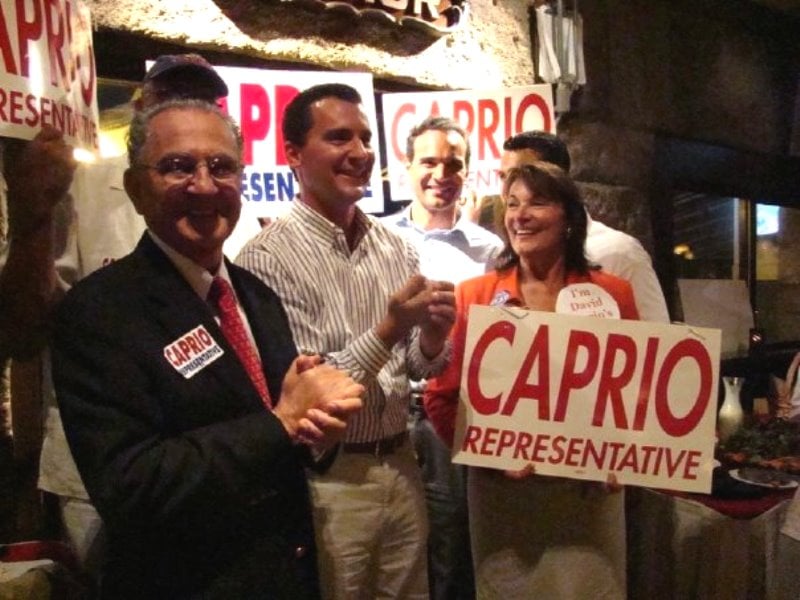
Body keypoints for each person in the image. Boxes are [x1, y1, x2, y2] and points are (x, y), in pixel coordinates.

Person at [52, 98, 363, 599]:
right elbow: (131, 486)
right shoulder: (99, 312)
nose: (203, 185)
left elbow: (290, 445)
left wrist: (317, 427)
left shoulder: (256, 295)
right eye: (177, 166)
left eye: (221, 167)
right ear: (135, 188)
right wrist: (281, 423)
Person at [0, 54, 250, 578]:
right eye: (170, 96)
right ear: (140, 107)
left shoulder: (226, 205)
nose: (188, 109)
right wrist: (31, 215)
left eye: (202, 98)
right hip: (104, 473)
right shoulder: (79, 187)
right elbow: (24, 330)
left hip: (216, 461)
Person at [236, 83, 457, 600]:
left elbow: (417, 367)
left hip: (402, 463)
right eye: (339, 138)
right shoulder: (266, 258)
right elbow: (310, 389)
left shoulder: (395, 246)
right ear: (294, 154)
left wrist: (432, 337)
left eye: (365, 138)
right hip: (329, 479)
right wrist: (390, 328)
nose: (359, 153)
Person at [424, 163, 638, 599]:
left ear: (569, 218)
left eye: (537, 203)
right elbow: (441, 399)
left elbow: (638, 396)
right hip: (504, 497)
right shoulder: (475, 296)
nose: (520, 215)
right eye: (512, 204)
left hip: (588, 496)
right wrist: (487, 455)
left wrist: (624, 457)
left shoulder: (613, 294)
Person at [383, 116, 502, 600]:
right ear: (407, 167)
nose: (440, 174)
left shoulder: (491, 250)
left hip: (451, 416)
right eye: (429, 161)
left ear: (467, 171)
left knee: (452, 545)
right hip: (389, 412)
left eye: (453, 164)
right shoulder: (378, 239)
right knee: (397, 550)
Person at [497, 130, 670, 323]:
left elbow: (655, 333)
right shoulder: (493, 274)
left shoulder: (620, 253)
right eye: (503, 177)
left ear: (557, 177)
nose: (510, 186)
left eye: (526, 174)